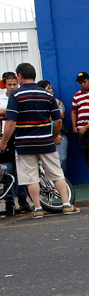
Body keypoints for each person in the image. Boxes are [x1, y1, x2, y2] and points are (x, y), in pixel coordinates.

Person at [0, 63, 79, 217]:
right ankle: (66, 204)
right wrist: (55, 135)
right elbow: (58, 121)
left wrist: (3, 142)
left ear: (19, 76)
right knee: (57, 174)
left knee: (31, 177)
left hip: (24, 143)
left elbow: (10, 122)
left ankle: (37, 209)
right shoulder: (48, 95)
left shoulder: (16, 96)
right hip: (46, 142)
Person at [0, 72, 29, 214]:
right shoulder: (1, 98)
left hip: (20, 134)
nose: (12, 87)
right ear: (5, 85)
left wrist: (5, 113)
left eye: (14, 84)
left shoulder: (19, 96)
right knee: (7, 169)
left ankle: (23, 200)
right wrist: (11, 112)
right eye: (9, 84)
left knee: (21, 170)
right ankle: (9, 202)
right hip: (6, 136)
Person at [37, 80, 68, 171]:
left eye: (51, 88)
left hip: (59, 133)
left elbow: (61, 116)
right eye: (48, 88)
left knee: (62, 158)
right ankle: (47, 183)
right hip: (43, 134)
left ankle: (60, 180)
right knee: (43, 162)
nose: (51, 90)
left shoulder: (58, 102)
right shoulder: (37, 104)